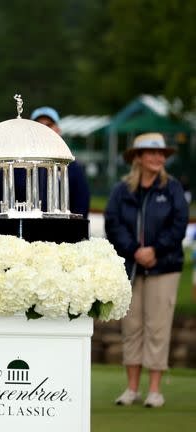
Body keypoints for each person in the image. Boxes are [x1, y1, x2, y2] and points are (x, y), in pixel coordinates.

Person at [104, 132, 188, 408]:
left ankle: (154, 390)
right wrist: (134, 250)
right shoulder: (121, 190)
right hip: (130, 267)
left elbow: (178, 225)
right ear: (137, 158)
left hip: (164, 267)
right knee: (132, 327)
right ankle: (131, 389)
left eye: (161, 153)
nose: (157, 158)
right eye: (151, 153)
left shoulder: (172, 189)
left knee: (158, 327)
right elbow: (113, 224)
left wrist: (154, 250)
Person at [0, 106, 90, 217]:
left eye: (49, 125)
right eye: (38, 125)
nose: (44, 129)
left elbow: (81, 206)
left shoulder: (71, 166)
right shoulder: (14, 165)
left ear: (58, 130)